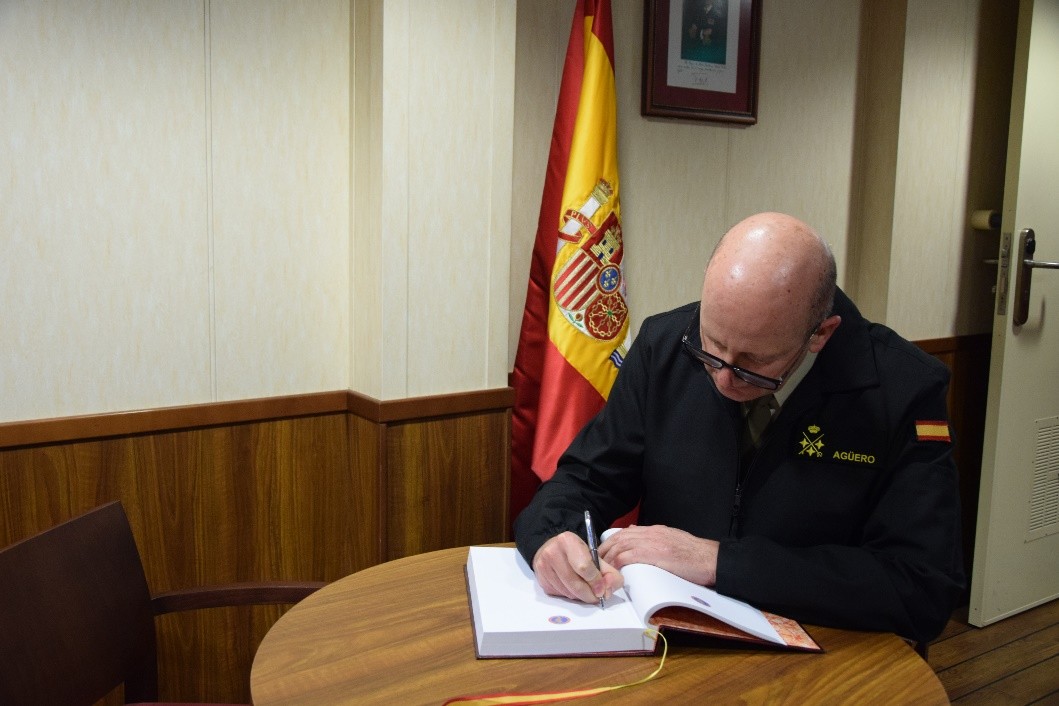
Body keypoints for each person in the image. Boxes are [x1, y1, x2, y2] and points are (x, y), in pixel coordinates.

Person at [514, 212, 965, 644]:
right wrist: (550, 537)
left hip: (827, 655)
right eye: (712, 347)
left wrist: (718, 562)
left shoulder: (902, 389)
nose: (725, 378)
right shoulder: (665, 346)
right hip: (673, 636)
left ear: (820, 334)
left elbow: (921, 587)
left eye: (756, 364)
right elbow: (585, 478)